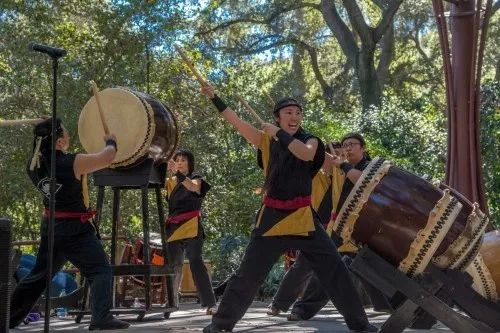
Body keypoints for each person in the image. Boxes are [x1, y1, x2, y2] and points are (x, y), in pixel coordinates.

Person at [200, 85, 378, 333]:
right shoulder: (266, 141)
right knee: (247, 276)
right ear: (278, 116)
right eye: (288, 113)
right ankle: (220, 325)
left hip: (303, 218)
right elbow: (236, 122)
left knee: (336, 271)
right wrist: (214, 97)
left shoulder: (310, 140)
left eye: (298, 112)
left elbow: (304, 155)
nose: (294, 117)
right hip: (271, 217)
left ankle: (361, 325)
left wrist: (278, 134)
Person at [9, 118, 130, 330]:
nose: (68, 137)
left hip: (53, 225)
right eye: (65, 133)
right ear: (57, 141)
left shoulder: (34, 163)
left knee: (39, 276)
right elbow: (107, 157)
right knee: (100, 270)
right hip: (75, 229)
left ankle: (7, 317)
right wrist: (111, 141)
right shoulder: (70, 163)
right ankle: (101, 317)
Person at [289, 132, 392, 321]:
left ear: (364, 148)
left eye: (352, 144)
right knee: (328, 265)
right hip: (342, 229)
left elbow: (364, 181)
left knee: (374, 267)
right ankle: (303, 309)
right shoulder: (340, 171)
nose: (348, 148)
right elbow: (331, 196)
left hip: (366, 229)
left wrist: (342, 165)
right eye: (345, 145)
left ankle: (393, 303)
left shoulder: (372, 167)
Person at [266, 141, 344, 316]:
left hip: (341, 228)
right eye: (332, 155)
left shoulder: (346, 175)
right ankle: (279, 303)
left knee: (338, 268)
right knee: (302, 266)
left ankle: (305, 308)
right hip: (316, 226)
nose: (335, 158)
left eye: (339, 155)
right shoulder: (314, 174)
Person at [164, 149, 217, 314]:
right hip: (173, 227)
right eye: (177, 160)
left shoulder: (196, 178)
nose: (179, 162)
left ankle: (210, 303)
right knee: (173, 265)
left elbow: (193, 188)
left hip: (192, 225)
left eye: (183, 160)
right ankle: (172, 300)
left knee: (195, 261)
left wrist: (177, 174)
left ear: (190, 163)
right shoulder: (170, 181)